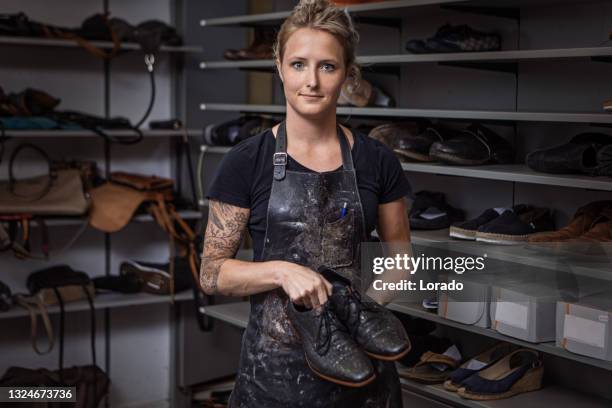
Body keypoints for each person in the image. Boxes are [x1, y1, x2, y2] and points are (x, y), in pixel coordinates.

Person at [200, 0, 412, 406]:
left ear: (348, 74)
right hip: (274, 374)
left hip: (363, 371)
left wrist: (359, 306)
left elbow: (400, 257)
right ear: (278, 65)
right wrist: (281, 272)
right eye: (298, 64)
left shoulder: (376, 159)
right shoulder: (247, 161)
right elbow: (212, 274)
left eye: (327, 67)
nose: (311, 81)